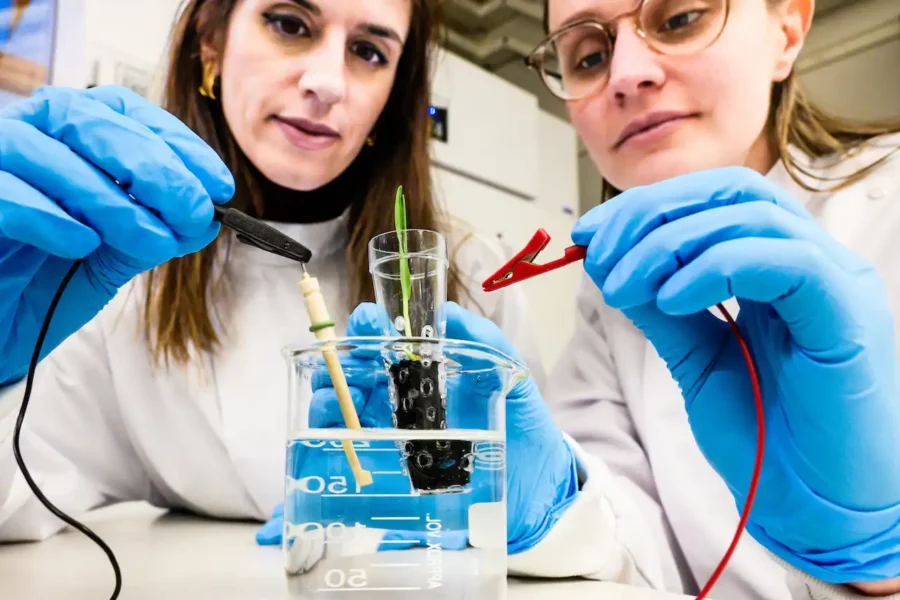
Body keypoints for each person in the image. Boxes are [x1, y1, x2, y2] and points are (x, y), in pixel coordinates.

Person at [303, 0, 900, 598]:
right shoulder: (611, 294)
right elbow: (630, 551)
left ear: (788, 26)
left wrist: (877, 560)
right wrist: (550, 500)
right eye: (588, 55)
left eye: (679, 18)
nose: (626, 73)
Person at [0, 0, 544, 542]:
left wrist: (527, 520)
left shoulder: (464, 276)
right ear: (211, 41)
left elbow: (555, 506)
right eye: (289, 24)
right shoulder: (118, 272)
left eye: (369, 51)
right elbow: (19, 492)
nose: (328, 82)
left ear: (394, 95)